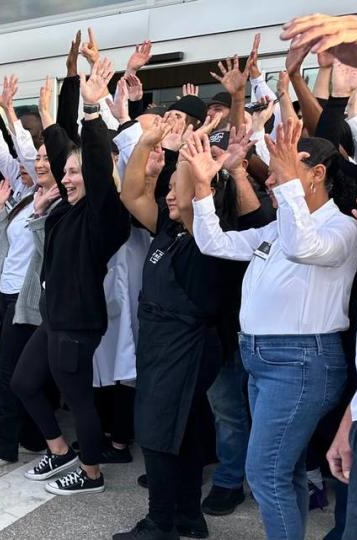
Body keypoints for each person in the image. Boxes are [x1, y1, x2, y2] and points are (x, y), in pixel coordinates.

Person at [192, 119, 357, 540]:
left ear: (318, 174)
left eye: (286, 169)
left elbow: (305, 248)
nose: (273, 180)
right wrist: (200, 189)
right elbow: (216, 243)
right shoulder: (281, 223)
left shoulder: (343, 227)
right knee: (285, 472)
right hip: (263, 360)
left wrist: (285, 187)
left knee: (265, 473)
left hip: (301, 362)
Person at [112, 118, 243, 540]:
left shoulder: (211, 240)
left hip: (186, 343)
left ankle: (160, 523)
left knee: (155, 432)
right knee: (181, 434)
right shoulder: (170, 228)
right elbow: (131, 193)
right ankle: (187, 517)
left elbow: (191, 200)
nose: (167, 192)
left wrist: (194, 157)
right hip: (159, 343)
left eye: (175, 186)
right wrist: (151, 140)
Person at [11, 57, 131, 496]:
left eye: (75, 173)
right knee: (24, 382)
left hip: (78, 321)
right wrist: (59, 106)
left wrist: (94, 112)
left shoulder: (105, 215)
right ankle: (59, 450)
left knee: (79, 398)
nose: (66, 177)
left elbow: (95, 168)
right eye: (66, 172)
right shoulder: (69, 208)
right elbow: (65, 153)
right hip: (55, 318)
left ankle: (91, 473)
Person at [0, 74, 61, 471]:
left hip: (30, 303)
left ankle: (3, 444)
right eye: (34, 161)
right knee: (23, 374)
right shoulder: (23, 197)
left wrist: (9, 110)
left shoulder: (57, 202)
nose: (34, 165)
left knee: (11, 375)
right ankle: (32, 436)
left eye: (44, 161)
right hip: (5, 297)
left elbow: (19, 150)